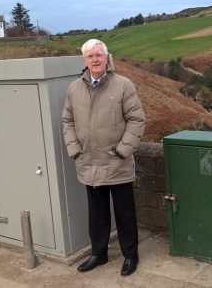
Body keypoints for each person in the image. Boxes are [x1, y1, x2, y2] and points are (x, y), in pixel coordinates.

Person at [62, 39, 146, 276]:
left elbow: (137, 120)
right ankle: (99, 254)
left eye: (99, 55)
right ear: (84, 61)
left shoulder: (123, 85)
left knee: (125, 214)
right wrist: (74, 149)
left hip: (116, 161)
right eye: (91, 56)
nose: (96, 59)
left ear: (107, 58)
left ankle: (130, 255)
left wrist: (122, 150)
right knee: (97, 214)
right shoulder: (73, 89)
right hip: (88, 162)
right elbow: (67, 121)